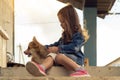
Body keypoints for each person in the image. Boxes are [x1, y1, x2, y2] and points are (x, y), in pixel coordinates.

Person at [26, 4, 90, 77]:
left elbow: (75, 48)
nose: (61, 25)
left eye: (62, 22)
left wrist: (59, 49)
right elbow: (55, 44)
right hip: (63, 60)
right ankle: (42, 68)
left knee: (58, 56)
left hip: (75, 61)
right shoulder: (64, 37)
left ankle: (80, 70)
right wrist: (40, 48)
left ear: (70, 21)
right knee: (51, 56)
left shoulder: (78, 35)